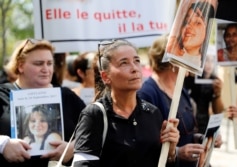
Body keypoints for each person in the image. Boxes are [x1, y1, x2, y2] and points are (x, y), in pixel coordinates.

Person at [73, 39, 180, 167]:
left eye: (137, 61)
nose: (134, 68)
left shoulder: (153, 113)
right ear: (105, 77)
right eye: (124, 63)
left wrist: (171, 152)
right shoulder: (94, 115)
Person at [0, 38, 86, 167]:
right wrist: (3, 144)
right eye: (38, 63)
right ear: (20, 66)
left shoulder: (66, 96)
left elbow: (95, 130)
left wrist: (74, 147)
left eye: (49, 63)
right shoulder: (2, 95)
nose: (46, 69)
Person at [138, 34, 205, 167]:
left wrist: (203, 139)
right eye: (187, 54)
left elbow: (187, 132)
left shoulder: (180, 89)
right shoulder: (147, 93)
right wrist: (177, 152)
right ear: (172, 61)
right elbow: (146, 144)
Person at [184, 45, 224, 134]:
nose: (209, 64)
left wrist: (217, 94)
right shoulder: (189, 78)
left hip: (205, 126)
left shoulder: (215, 81)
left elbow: (218, 111)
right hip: (189, 125)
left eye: (212, 60)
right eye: (206, 60)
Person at [166, 1, 215, 67]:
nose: (188, 26)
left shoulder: (207, 65)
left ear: (208, 31)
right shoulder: (171, 56)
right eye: (186, 22)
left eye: (197, 22)